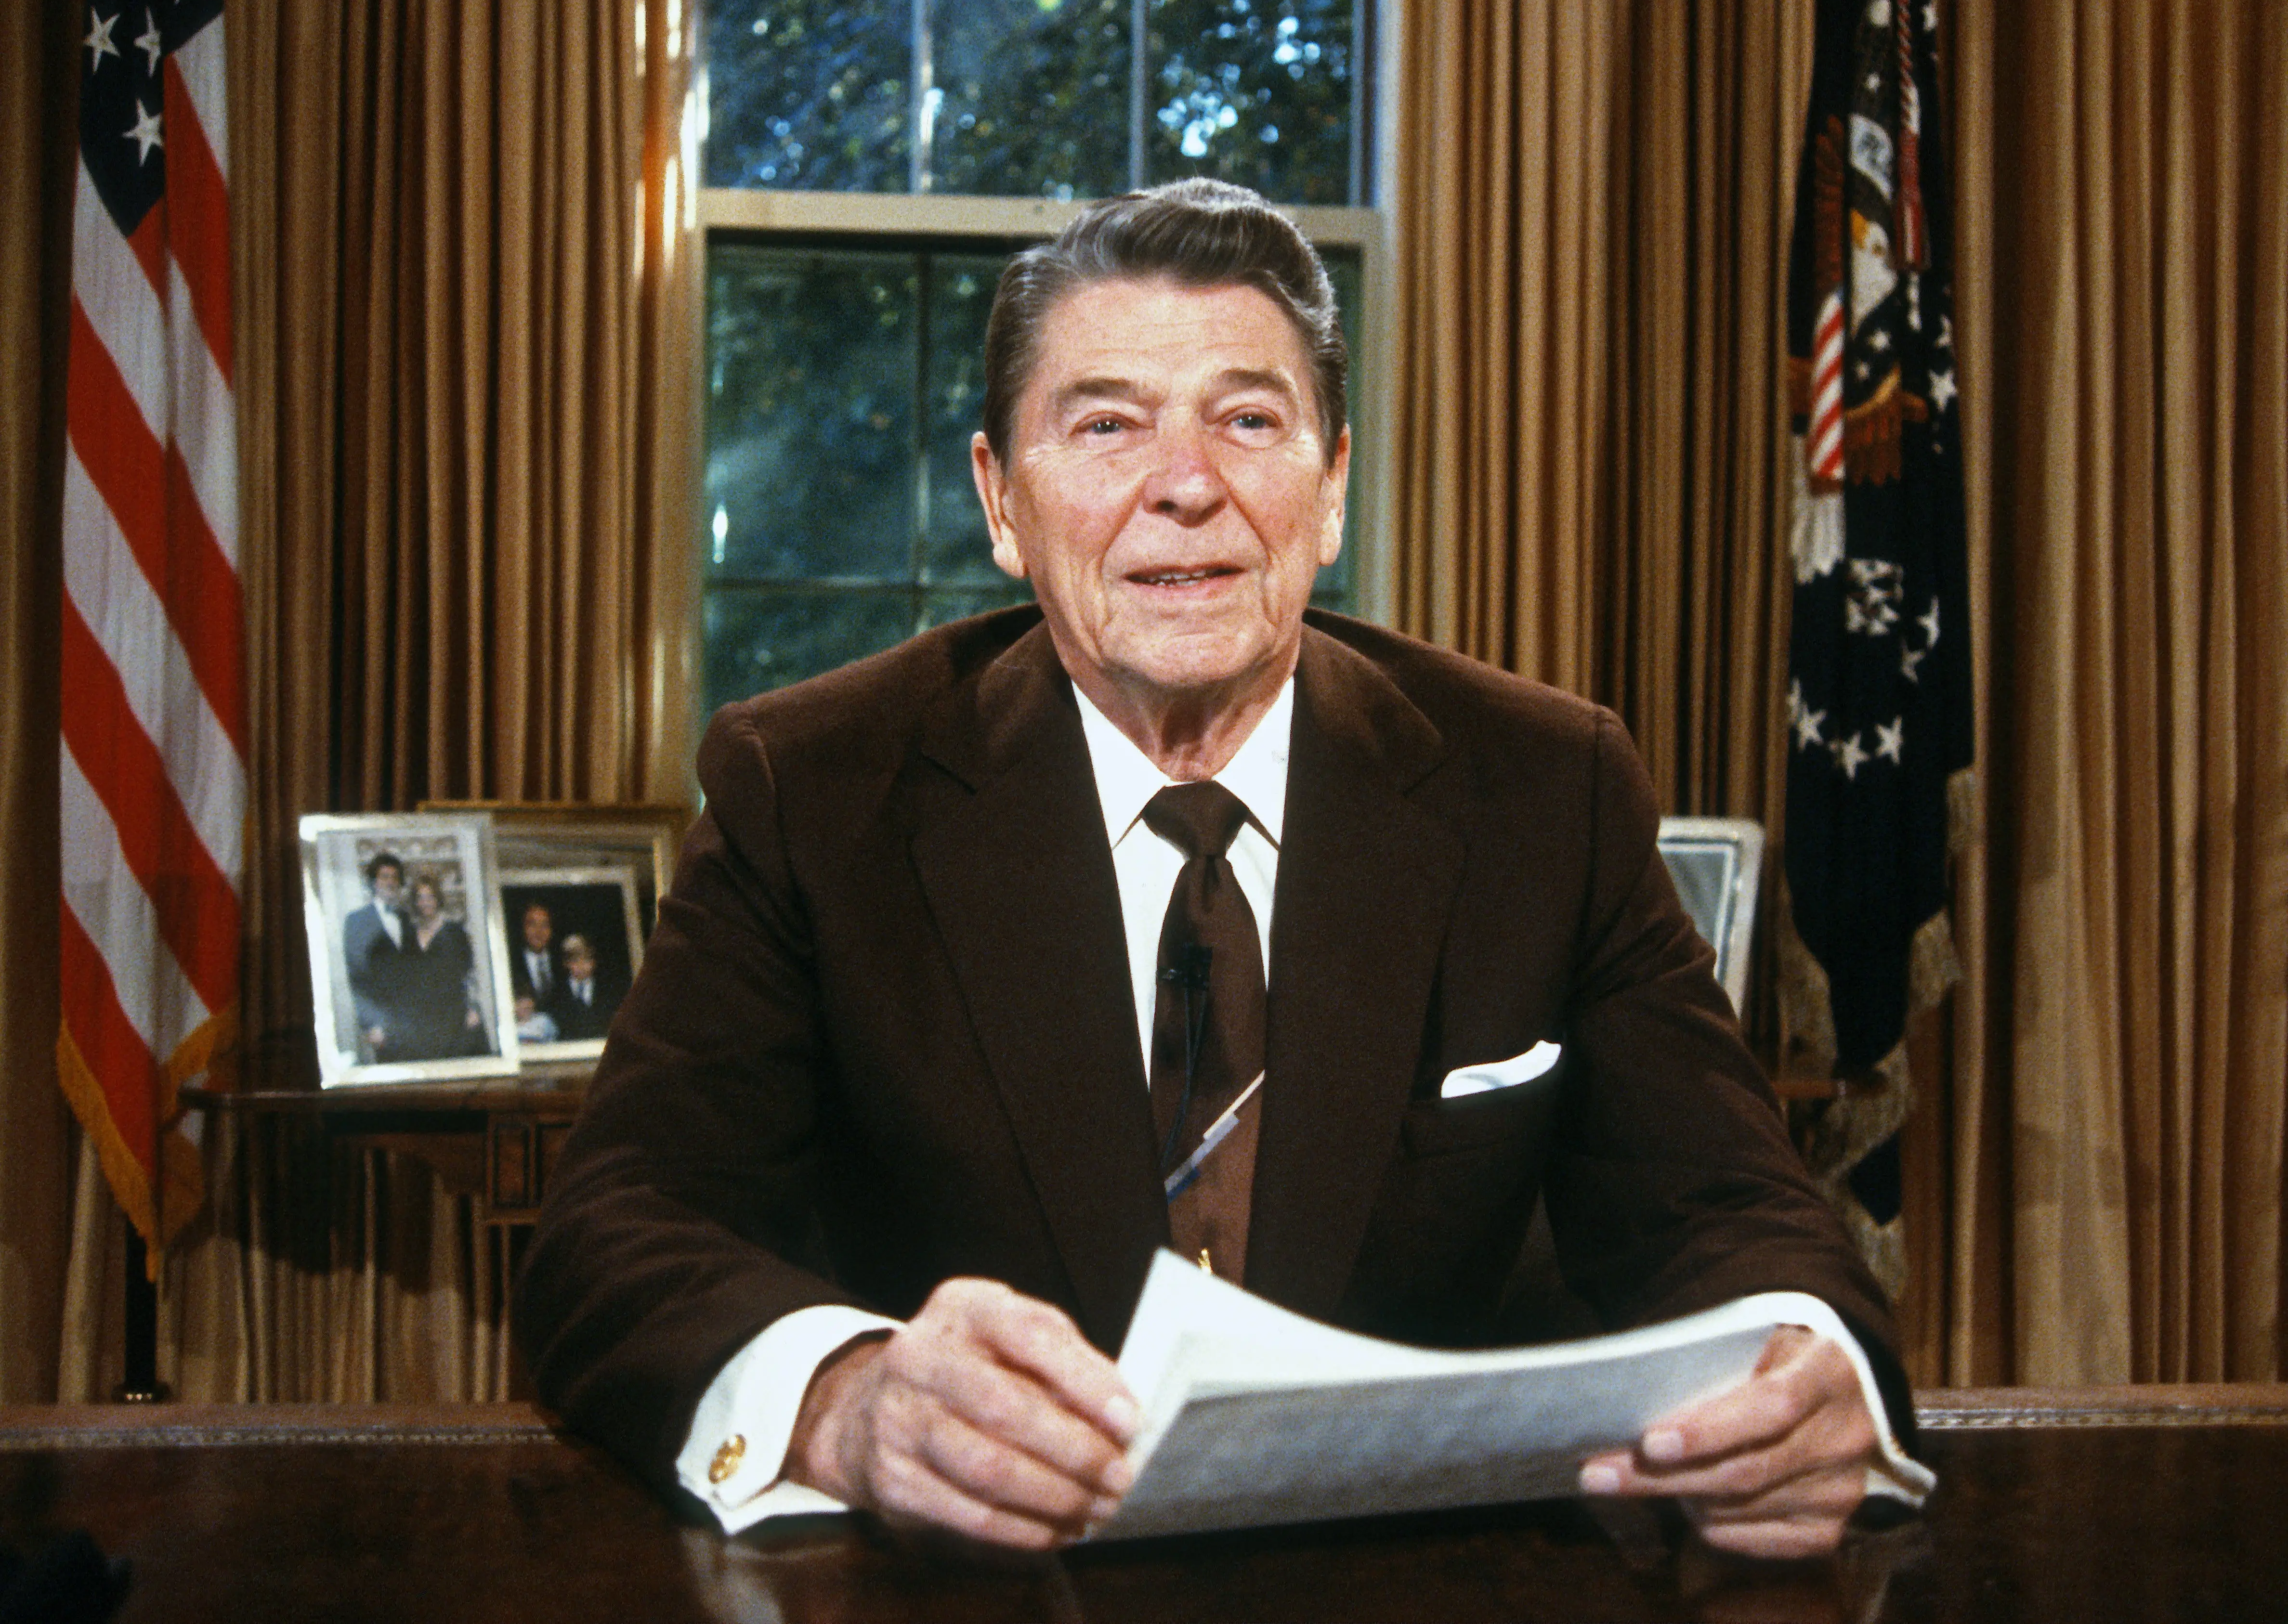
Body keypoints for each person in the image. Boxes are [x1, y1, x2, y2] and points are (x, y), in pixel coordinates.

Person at [516, 179, 1928, 1560]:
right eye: (1106, 424)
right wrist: (849, 1399)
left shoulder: (1542, 786)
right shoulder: (811, 788)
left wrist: (1808, 1373)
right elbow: (615, 1229)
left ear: (1328, 488)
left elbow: (1733, 1211)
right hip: (980, 1592)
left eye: (1246, 421)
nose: (1182, 485)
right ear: (1000, 502)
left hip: (1417, 1586)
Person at [379, 872, 489, 1063]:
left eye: (430, 897)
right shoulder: (409, 936)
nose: (426, 902)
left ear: (438, 899)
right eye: (420, 898)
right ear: (415, 902)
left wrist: (474, 1009)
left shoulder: (455, 932)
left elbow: (471, 975)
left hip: (455, 1013)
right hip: (424, 1017)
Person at [342, 851, 412, 1061]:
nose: (391, 882)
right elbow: (357, 979)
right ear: (374, 882)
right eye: (385, 877)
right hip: (382, 1025)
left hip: (414, 1021)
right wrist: (371, 1024)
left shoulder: (407, 918)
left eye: (395, 877)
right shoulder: (356, 921)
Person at [549, 934, 621, 1041]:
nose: (581, 966)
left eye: (586, 960)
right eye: (575, 961)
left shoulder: (607, 991)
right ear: (566, 963)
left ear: (594, 962)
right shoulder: (556, 994)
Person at [510, 901, 564, 1043]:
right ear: (523, 928)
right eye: (532, 924)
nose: (538, 931)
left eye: (545, 925)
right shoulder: (511, 964)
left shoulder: (563, 963)